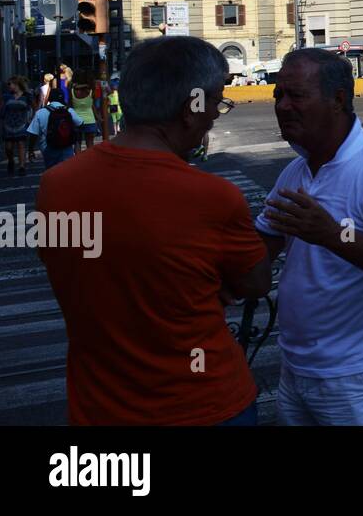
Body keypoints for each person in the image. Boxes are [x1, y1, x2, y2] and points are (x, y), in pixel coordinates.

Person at [36, 36, 270, 425]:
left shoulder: (55, 185)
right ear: (190, 108)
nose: (216, 114)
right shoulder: (215, 197)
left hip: (100, 409)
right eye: (216, 102)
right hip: (205, 406)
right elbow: (256, 283)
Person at [255, 48, 363, 426]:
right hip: (295, 370)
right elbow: (258, 253)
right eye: (277, 95)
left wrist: (333, 235)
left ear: (337, 100)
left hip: (357, 379)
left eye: (296, 95)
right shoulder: (294, 173)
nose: (283, 107)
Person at [26, 90, 82, 169]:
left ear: (49, 99)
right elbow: (80, 123)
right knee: (66, 172)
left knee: (51, 172)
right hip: (66, 146)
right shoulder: (69, 110)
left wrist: (30, 150)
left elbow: (33, 133)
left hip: (48, 147)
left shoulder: (40, 112)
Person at [2, 79, 30, 174]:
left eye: (10, 84)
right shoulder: (6, 96)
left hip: (21, 124)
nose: (9, 86)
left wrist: (32, 118)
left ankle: (22, 166)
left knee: (21, 145)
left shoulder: (26, 96)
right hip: (8, 125)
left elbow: (34, 106)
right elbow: (1, 108)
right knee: (8, 147)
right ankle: (11, 161)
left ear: (17, 84)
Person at [69, 75, 98, 150]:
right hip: (90, 120)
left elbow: (70, 105)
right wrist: (98, 117)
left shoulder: (72, 91)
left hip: (76, 120)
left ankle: (78, 160)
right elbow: (93, 105)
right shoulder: (90, 91)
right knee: (90, 143)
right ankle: (90, 159)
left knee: (77, 142)